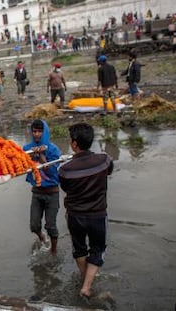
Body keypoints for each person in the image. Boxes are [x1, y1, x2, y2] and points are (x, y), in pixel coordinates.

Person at [58, 122, 113, 299]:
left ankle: (84, 281)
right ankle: (87, 286)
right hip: (97, 215)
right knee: (98, 249)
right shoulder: (104, 160)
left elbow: (66, 188)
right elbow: (109, 171)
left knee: (79, 249)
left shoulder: (65, 169)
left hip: (75, 216)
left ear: (74, 144)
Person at [23, 119, 61, 254]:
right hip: (37, 192)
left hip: (52, 193)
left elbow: (55, 174)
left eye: (40, 131)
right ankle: (41, 237)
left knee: (51, 226)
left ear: (45, 132)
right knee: (34, 225)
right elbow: (22, 167)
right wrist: (30, 158)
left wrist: (43, 159)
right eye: (34, 131)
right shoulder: (27, 149)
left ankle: (54, 251)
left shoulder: (54, 149)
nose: (37, 134)